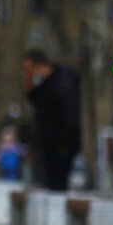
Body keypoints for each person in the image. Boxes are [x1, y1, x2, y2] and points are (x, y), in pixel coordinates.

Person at [23, 49, 81, 191]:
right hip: (47, 144)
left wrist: (64, 143)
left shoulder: (62, 80)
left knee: (58, 185)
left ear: (40, 65)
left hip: (61, 145)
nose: (29, 73)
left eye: (30, 69)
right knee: (49, 186)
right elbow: (38, 104)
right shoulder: (45, 84)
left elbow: (70, 113)